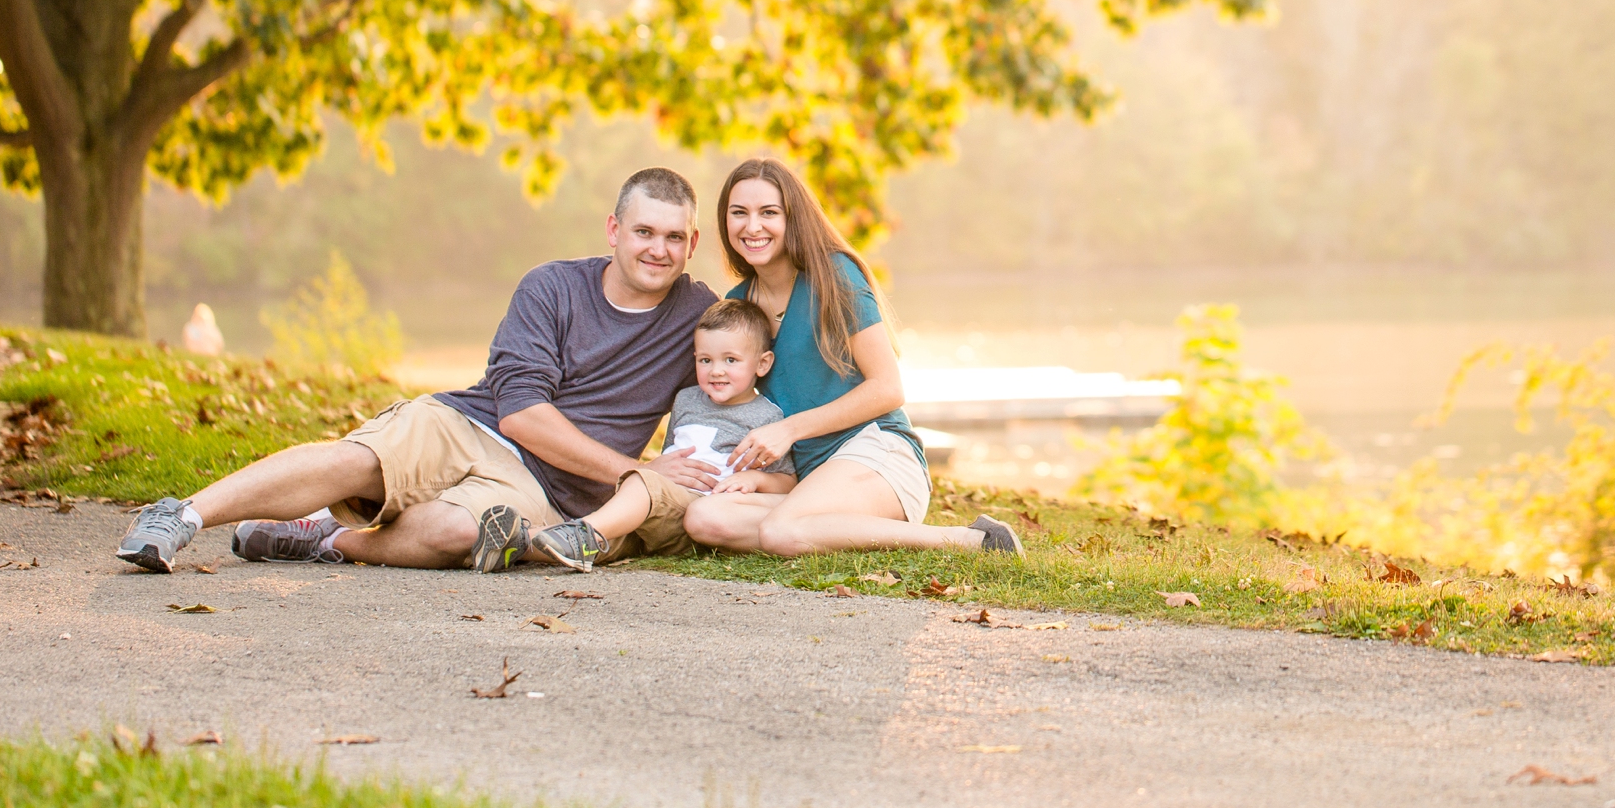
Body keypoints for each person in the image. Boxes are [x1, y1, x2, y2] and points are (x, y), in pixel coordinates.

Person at [115, 167, 721, 573]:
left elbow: (760, 343)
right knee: (360, 463)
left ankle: (326, 538)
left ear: (692, 245)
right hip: (472, 425)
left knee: (456, 536)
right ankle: (180, 515)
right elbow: (522, 417)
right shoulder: (552, 287)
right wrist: (633, 469)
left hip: (549, 492)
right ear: (614, 230)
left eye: (673, 237)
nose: (658, 250)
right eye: (643, 231)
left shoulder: (700, 316)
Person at [681, 157, 1023, 558]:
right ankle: (840, 530)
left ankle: (974, 541)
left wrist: (789, 430)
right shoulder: (738, 306)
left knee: (781, 532)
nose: (752, 226)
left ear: (792, 218)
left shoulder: (834, 275)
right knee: (704, 518)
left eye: (768, 213)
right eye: (739, 213)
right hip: (810, 479)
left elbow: (888, 388)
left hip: (877, 453)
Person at [531, 297, 796, 569]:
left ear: (762, 364)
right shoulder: (686, 400)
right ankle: (520, 543)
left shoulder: (767, 416)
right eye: (705, 360)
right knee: (610, 539)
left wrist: (754, 479)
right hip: (663, 506)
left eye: (731, 360)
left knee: (644, 483)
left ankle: (582, 533)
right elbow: (671, 452)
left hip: (705, 507)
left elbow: (788, 482)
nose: (716, 371)